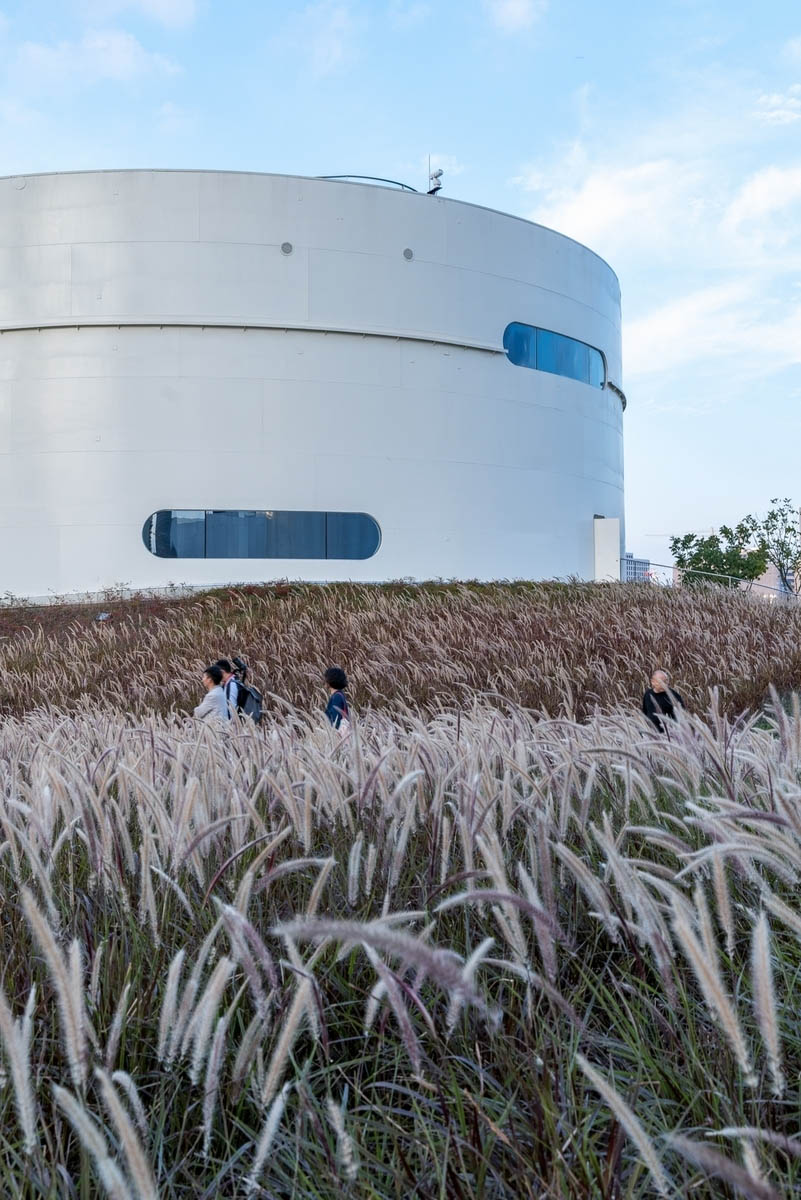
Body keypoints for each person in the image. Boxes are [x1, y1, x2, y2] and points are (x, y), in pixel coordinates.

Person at [324, 666, 350, 730]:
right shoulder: (339, 695)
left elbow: (335, 721)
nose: (324, 681)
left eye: (326, 679)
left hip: (336, 737)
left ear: (330, 680)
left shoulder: (337, 697)